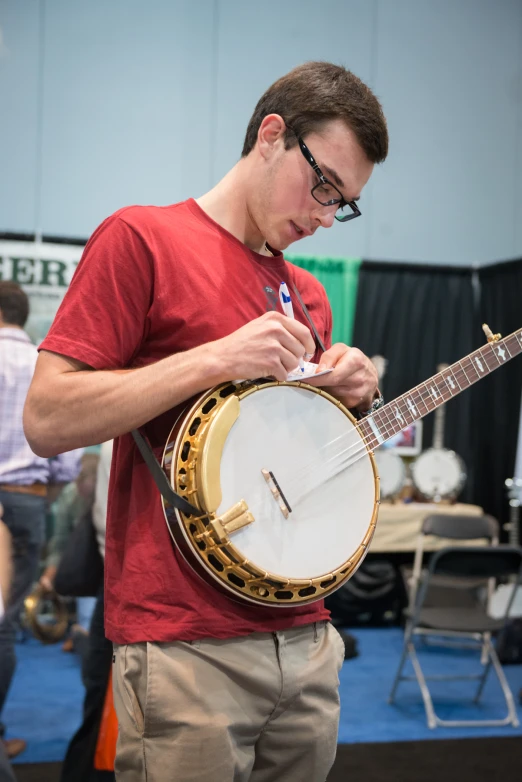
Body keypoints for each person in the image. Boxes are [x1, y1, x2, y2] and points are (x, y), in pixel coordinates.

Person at [24, 62, 388, 782]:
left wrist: (354, 398)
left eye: (342, 204)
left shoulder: (306, 292)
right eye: (322, 187)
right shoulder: (140, 240)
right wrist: (212, 359)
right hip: (185, 644)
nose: (322, 216)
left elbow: (296, 459)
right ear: (271, 135)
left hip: (308, 636)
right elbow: (47, 418)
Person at [0, 281, 83, 761]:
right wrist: (39, 495)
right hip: (28, 501)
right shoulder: (40, 366)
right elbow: (66, 462)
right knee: (5, 625)